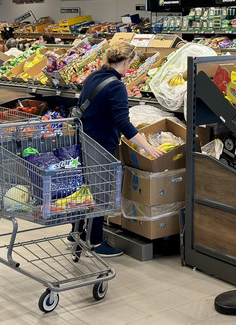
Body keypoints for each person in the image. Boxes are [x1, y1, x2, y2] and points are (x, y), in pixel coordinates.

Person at [71, 42, 166, 256]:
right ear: (126, 61)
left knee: (86, 188)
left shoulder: (93, 76)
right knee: (101, 192)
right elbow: (123, 122)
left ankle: (75, 232)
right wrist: (148, 147)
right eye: (131, 62)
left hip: (85, 139)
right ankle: (95, 242)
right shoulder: (116, 86)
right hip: (101, 144)